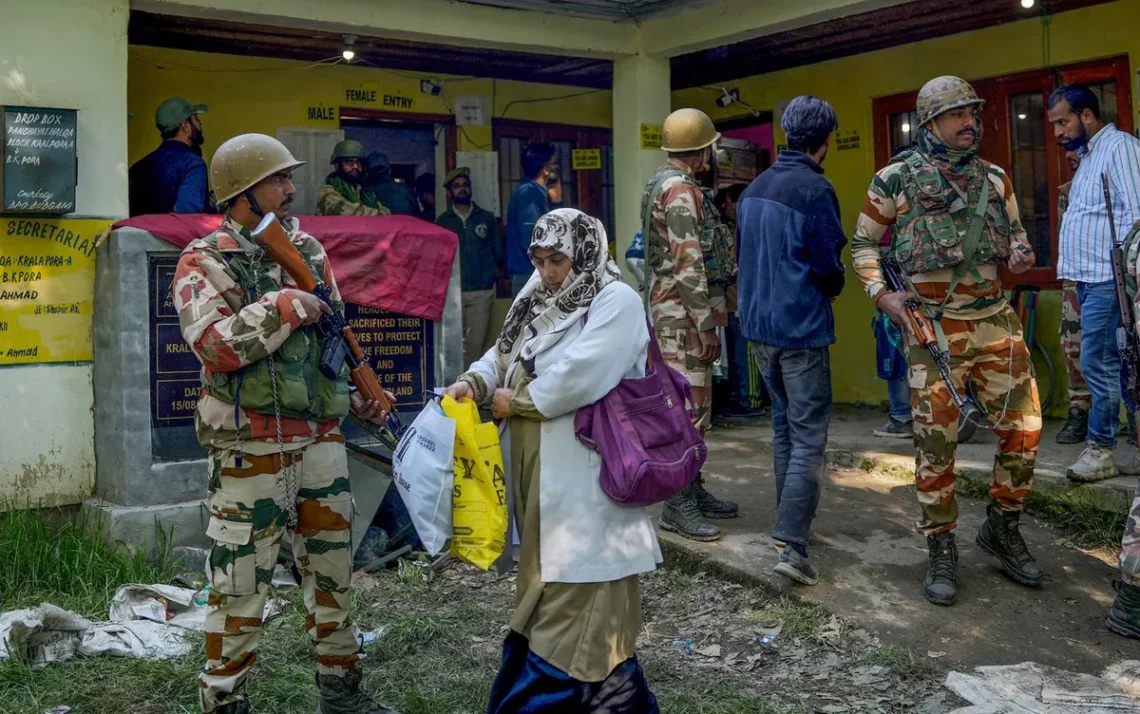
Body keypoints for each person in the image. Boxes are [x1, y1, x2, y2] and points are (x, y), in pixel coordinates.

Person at [174, 133, 398, 714]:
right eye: (278, 181)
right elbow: (215, 347)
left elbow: (333, 333)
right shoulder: (203, 262)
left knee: (332, 575)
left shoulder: (307, 251)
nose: (291, 189)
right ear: (244, 193)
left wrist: (360, 391)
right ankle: (224, 701)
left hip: (320, 443)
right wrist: (282, 307)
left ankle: (341, 692)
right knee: (239, 587)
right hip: (250, 451)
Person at [443, 209, 660, 713]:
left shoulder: (616, 301)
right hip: (538, 480)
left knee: (577, 594)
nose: (548, 271)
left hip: (586, 485)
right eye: (539, 259)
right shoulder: (536, 297)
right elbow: (502, 354)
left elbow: (583, 376)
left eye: (558, 259)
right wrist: (474, 382)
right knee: (554, 586)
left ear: (584, 253)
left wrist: (515, 401)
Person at [852, 76, 1043, 606]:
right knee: (936, 444)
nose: (970, 123)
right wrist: (881, 294)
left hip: (995, 321)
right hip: (932, 327)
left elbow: (1017, 240)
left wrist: (1021, 256)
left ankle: (1003, 527)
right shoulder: (894, 180)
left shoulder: (996, 178)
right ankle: (940, 542)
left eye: (973, 114)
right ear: (930, 123)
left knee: (1024, 429)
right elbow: (864, 245)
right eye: (957, 115)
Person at [736, 96, 846, 584]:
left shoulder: (755, 187)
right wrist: (835, 286)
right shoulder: (815, 189)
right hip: (800, 327)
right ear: (827, 141)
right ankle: (794, 547)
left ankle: (788, 527)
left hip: (759, 328)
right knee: (808, 438)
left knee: (784, 429)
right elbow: (828, 266)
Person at [642, 108, 739, 542]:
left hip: (675, 312)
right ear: (701, 150)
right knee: (687, 410)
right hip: (682, 317)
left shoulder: (663, 181)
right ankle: (677, 503)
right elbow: (689, 263)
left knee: (694, 407)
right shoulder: (681, 190)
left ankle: (692, 488)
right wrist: (704, 323)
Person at [1049, 84, 1140, 481]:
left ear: (1087, 115)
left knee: (1097, 363)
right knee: (1115, 365)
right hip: (1091, 280)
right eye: (1053, 124)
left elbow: (1138, 216)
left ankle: (1101, 448)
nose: (1057, 132)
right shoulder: (1089, 158)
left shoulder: (1119, 147)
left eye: (1063, 121)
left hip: (1111, 279)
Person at [435, 167, 502, 366]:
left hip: (481, 291)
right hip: (453, 293)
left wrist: (492, 276)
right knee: (451, 345)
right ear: (450, 192)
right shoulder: (443, 222)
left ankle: (469, 389)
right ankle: (452, 387)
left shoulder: (486, 218)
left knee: (475, 346)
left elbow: (497, 251)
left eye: (465, 185)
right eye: (457, 186)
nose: (462, 189)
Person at [713, 182, 768, 425]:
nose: (728, 207)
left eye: (730, 201)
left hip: (742, 302)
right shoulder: (732, 228)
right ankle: (741, 397)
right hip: (731, 301)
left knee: (746, 354)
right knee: (735, 356)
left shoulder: (746, 229)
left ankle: (750, 400)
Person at [1056, 150, 1093, 444]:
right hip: (1076, 278)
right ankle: (1079, 410)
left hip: (1118, 276)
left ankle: (1132, 417)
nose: (1071, 155)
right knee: (1073, 345)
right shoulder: (1066, 194)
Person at [128, 97, 209, 216]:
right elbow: (188, 219)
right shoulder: (193, 164)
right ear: (185, 126)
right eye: (196, 118)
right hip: (173, 234)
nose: (200, 123)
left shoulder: (137, 168)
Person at [505, 143, 561, 296]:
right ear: (545, 169)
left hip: (536, 272)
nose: (557, 168)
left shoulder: (536, 192)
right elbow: (531, 237)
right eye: (555, 163)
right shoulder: (528, 194)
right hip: (530, 274)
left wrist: (556, 202)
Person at [316, 140, 390, 216]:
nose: (355, 166)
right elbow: (356, 214)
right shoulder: (328, 194)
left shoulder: (363, 191)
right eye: (349, 162)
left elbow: (385, 211)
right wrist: (381, 214)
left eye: (358, 162)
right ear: (338, 165)